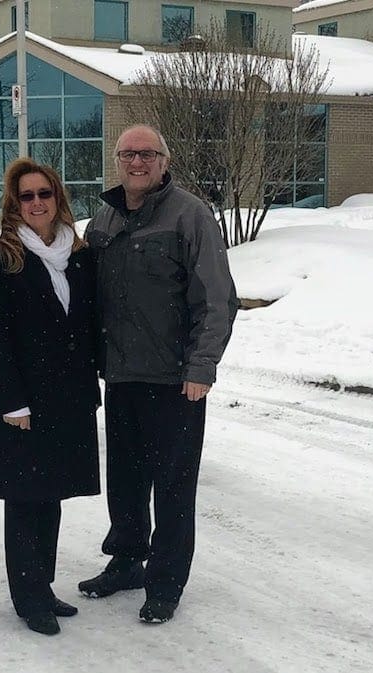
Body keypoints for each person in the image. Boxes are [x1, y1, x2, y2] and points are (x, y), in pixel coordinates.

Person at [79, 124, 238, 624]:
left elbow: (216, 298)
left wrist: (201, 366)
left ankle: (166, 582)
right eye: (128, 154)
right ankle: (127, 561)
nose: (137, 162)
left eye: (147, 154)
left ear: (164, 161)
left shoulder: (190, 215)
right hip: (122, 377)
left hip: (176, 382)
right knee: (125, 480)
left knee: (173, 486)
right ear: (116, 161)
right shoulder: (103, 220)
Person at [0, 159, 101, 636]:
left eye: (44, 193)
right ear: (14, 203)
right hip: (24, 401)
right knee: (26, 497)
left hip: (69, 397)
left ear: (58, 198)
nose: (36, 203)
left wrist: (91, 387)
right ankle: (28, 597)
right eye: (26, 196)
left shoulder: (80, 255)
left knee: (52, 494)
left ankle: (43, 587)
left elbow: (86, 327)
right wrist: (12, 401)